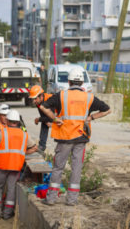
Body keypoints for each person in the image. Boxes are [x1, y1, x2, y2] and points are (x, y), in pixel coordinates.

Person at [39, 68, 111, 206]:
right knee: (76, 169)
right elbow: (107, 109)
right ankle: (72, 200)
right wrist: (91, 117)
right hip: (81, 137)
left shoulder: (61, 95)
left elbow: (43, 106)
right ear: (82, 82)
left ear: (69, 81)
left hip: (65, 137)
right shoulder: (89, 97)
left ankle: (52, 198)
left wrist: (55, 119)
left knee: (58, 168)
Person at [0, 109, 38, 220]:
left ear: (8, 120)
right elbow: (34, 147)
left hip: (1, 166)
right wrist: (22, 154)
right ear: (18, 122)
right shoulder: (24, 134)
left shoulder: (1, 132)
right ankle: (7, 214)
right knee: (11, 189)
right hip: (16, 167)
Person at [29, 85, 54, 152]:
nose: (34, 101)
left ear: (41, 96)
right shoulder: (39, 102)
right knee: (44, 122)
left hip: (63, 115)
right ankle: (42, 146)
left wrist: (38, 119)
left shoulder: (49, 100)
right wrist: (43, 120)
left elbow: (51, 117)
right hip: (54, 116)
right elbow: (44, 117)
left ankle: (42, 146)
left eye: (35, 98)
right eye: (32, 99)